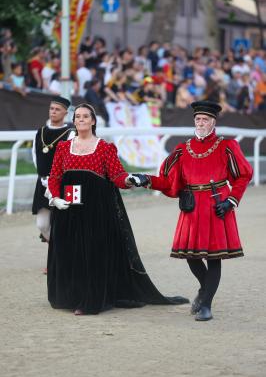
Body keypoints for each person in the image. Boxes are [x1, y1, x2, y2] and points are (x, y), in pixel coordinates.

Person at [47, 103, 189, 315]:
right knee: (71, 252)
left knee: (93, 253)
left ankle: (91, 301)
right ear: (74, 121)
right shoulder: (63, 148)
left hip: (96, 210)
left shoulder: (105, 148)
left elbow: (117, 176)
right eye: (77, 117)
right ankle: (72, 296)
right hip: (68, 208)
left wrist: (130, 179)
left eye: (86, 116)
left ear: (93, 121)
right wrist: (55, 198)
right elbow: (55, 176)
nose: (81, 120)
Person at [130, 100, 253, 321]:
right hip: (192, 205)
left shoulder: (227, 146)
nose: (201, 123)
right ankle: (204, 290)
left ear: (213, 122)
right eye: (198, 119)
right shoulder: (182, 149)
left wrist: (232, 200)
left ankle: (206, 305)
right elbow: (168, 182)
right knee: (191, 255)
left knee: (214, 257)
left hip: (217, 204)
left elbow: (244, 175)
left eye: (205, 119)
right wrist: (145, 179)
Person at [32, 96, 75, 273]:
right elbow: (36, 155)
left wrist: (58, 178)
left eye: (57, 109)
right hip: (43, 183)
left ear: (65, 112)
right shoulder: (40, 132)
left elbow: (71, 158)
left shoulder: (71, 133)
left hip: (63, 183)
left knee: (64, 222)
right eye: (51, 109)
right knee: (42, 224)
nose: (53, 112)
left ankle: (59, 259)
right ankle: (61, 253)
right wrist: (43, 176)